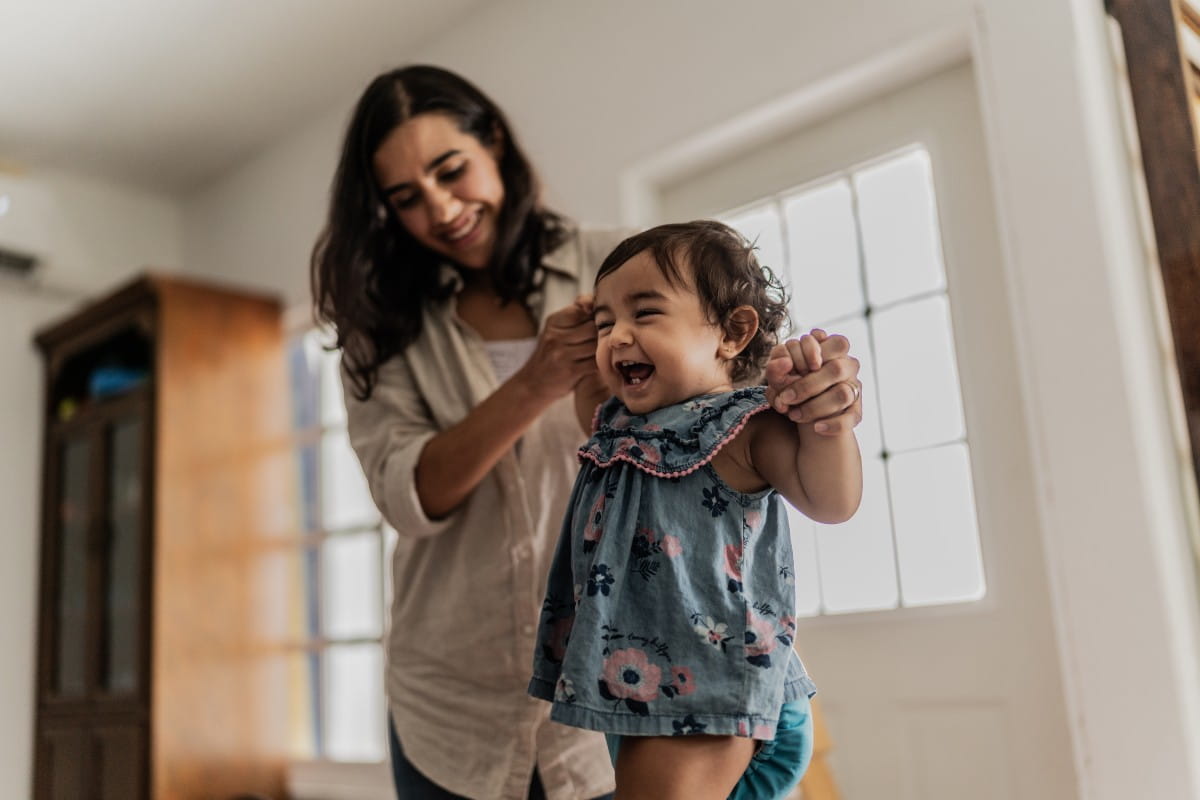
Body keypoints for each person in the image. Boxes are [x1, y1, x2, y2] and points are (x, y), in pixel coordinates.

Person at [310, 65, 863, 800]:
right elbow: (411, 495)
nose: (441, 209)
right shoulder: (385, 331)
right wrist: (536, 381)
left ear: (495, 145)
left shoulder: (631, 264)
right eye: (406, 199)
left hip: (644, 692)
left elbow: (738, 393)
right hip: (454, 697)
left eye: (452, 171)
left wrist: (818, 402)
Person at [528, 221, 863, 800]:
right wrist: (586, 331)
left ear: (733, 332)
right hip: (654, 693)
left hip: (715, 685)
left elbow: (832, 502)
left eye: (646, 313)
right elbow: (591, 383)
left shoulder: (743, 425)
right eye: (606, 324)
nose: (616, 336)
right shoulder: (614, 423)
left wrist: (825, 426)